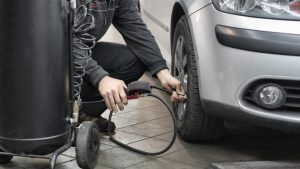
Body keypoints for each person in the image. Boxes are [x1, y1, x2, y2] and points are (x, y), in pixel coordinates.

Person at [76, 0, 185, 132]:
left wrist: (163, 72)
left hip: (80, 51)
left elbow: (136, 30)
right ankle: (58, 110)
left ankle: (83, 112)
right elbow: (63, 41)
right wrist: (100, 78)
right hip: (52, 58)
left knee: (135, 61)